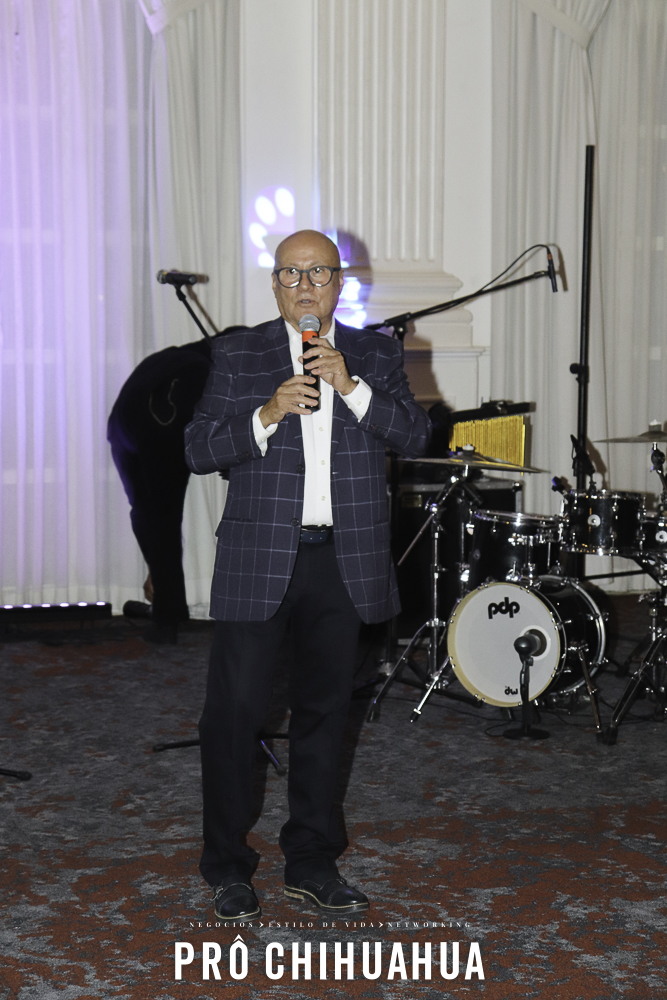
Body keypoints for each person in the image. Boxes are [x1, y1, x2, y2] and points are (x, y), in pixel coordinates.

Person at [184, 230, 431, 921]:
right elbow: (198, 449)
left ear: (338, 284)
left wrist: (350, 387)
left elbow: (416, 437)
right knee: (233, 717)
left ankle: (313, 863)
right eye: (290, 274)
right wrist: (266, 413)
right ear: (274, 285)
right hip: (258, 559)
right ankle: (227, 866)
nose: (303, 287)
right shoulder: (238, 353)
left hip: (342, 561)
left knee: (325, 716)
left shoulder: (375, 353)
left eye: (317, 273)